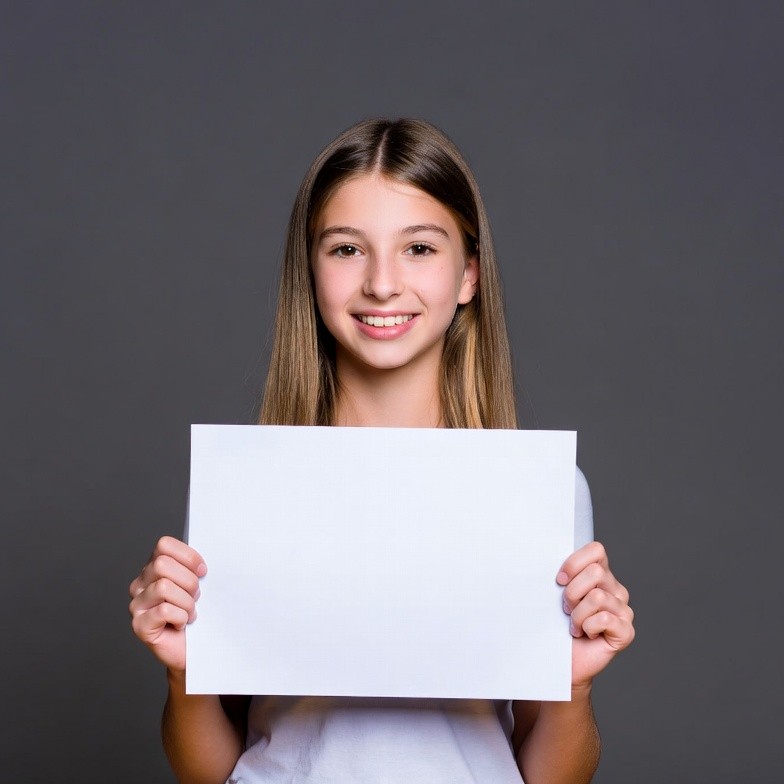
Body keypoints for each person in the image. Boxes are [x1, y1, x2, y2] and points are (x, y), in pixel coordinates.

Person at [128, 118, 635, 784]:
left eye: (419, 248)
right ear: (310, 273)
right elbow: (209, 773)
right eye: (346, 250)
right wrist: (179, 673)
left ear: (469, 276)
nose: (382, 283)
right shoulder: (249, 486)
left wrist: (574, 688)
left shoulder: (539, 493)